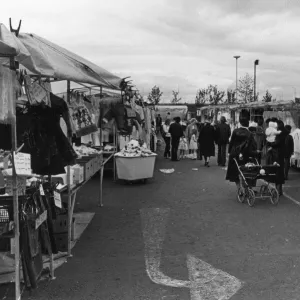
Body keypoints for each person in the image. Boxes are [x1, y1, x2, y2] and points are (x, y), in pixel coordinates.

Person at [226, 115, 259, 190]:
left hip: (234, 153)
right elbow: (252, 145)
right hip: (245, 154)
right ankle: (247, 188)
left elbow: (231, 143)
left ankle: (239, 188)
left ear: (240, 123)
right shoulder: (249, 133)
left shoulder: (235, 131)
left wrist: (229, 152)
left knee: (234, 172)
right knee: (245, 171)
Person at [266, 120, 288, 196]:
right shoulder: (284, 132)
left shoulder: (280, 134)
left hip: (277, 155)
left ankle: (278, 190)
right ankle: (279, 190)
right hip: (280, 155)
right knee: (279, 171)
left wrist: (271, 145)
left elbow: (276, 143)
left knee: (277, 172)